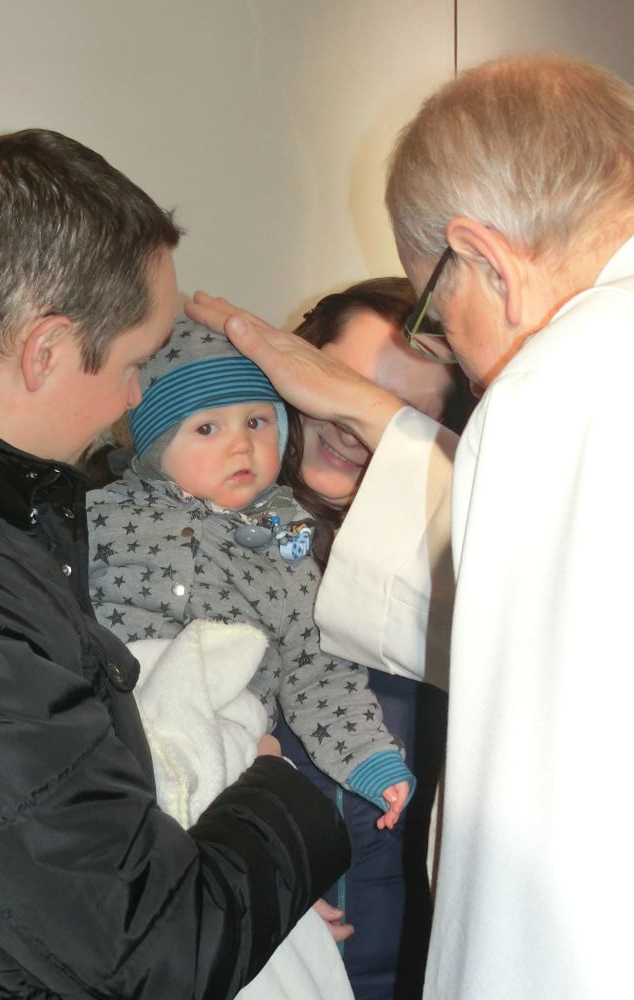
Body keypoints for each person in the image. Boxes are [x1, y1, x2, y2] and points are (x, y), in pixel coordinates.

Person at [185, 53, 634, 1000]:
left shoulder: (564, 387)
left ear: (486, 259)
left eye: (436, 312)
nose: (465, 361)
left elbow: (549, 807)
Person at [0, 128, 351, 999]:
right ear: (46, 351)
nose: (135, 397)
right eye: (136, 362)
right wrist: (279, 791)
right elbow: (155, 953)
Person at [87, 315, 414, 832]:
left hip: (228, 721)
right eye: (207, 428)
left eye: (257, 423)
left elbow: (317, 670)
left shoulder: (290, 552)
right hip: (118, 695)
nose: (241, 445)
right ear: (156, 446)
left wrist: (369, 757)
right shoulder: (101, 512)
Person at [274, 277, 470, 1000]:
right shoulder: (181, 533)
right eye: (343, 388)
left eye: (397, 417)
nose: (354, 431)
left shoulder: (451, 579)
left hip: (402, 957)